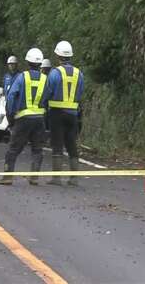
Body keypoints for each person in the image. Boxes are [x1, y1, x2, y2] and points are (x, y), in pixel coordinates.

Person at [0, 48, 48, 186]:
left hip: (23, 118)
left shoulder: (22, 77)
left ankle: (7, 177)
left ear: (27, 61)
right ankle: (34, 177)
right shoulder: (45, 78)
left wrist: (10, 115)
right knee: (37, 149)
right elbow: (48, 97)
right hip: (39, 119)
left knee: (13, 148)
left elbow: (11, 96)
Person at [44, 40, 85, 186]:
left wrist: (44, 105)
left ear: (58, 55)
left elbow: (48, 92)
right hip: (73, 114)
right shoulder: (78, 73)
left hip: (56, 113)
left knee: (57, 144)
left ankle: (56, 178)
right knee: (71, 144)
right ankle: (74, 178)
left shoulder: (55, 73)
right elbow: (80, 93)